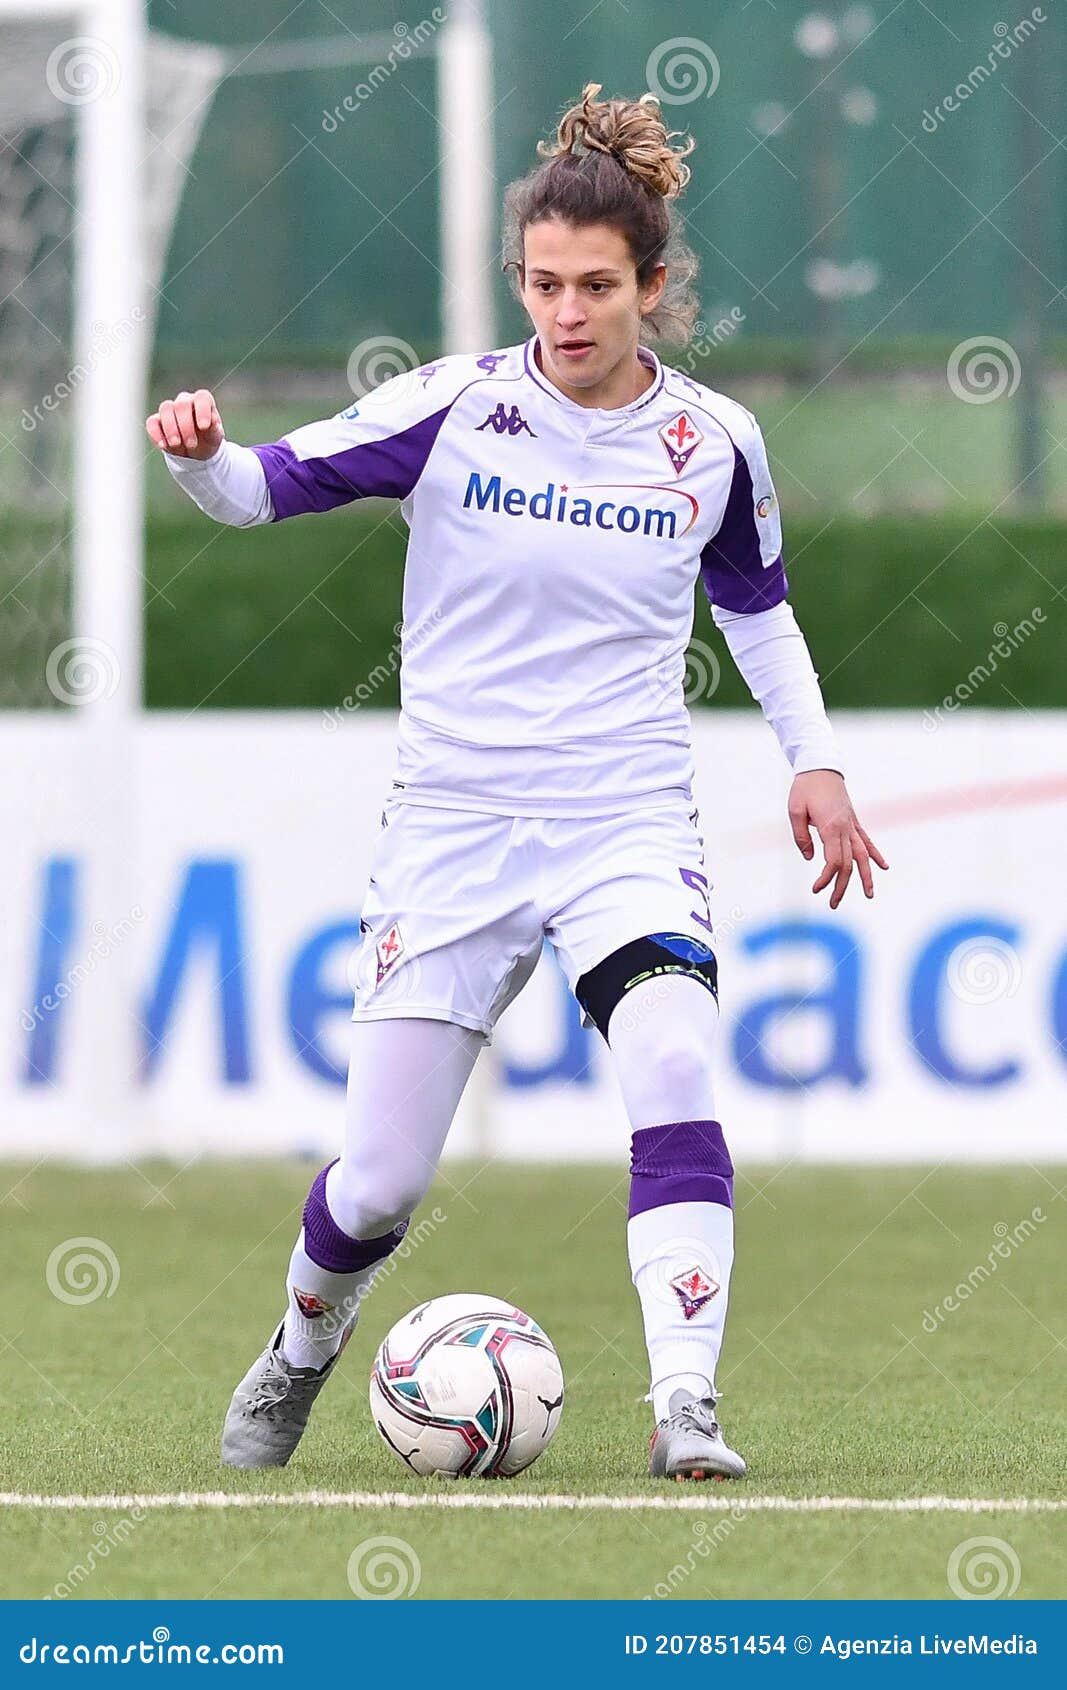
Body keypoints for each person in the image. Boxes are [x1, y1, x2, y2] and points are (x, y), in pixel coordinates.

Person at [146, 83, 887, 1482]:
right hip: (454, 831)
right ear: (520, 282)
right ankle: (297, 1356)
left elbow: (760, 609)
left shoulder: (714, 443)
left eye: (598, 285)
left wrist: (820, 761)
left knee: (673, 1053)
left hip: (625, 823)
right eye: (544, 283)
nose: (567, 311)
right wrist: (200, 460)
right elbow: (261, 488)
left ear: (654, 288)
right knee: (378, 1183)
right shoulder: (453, 410)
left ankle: (686, 1407)